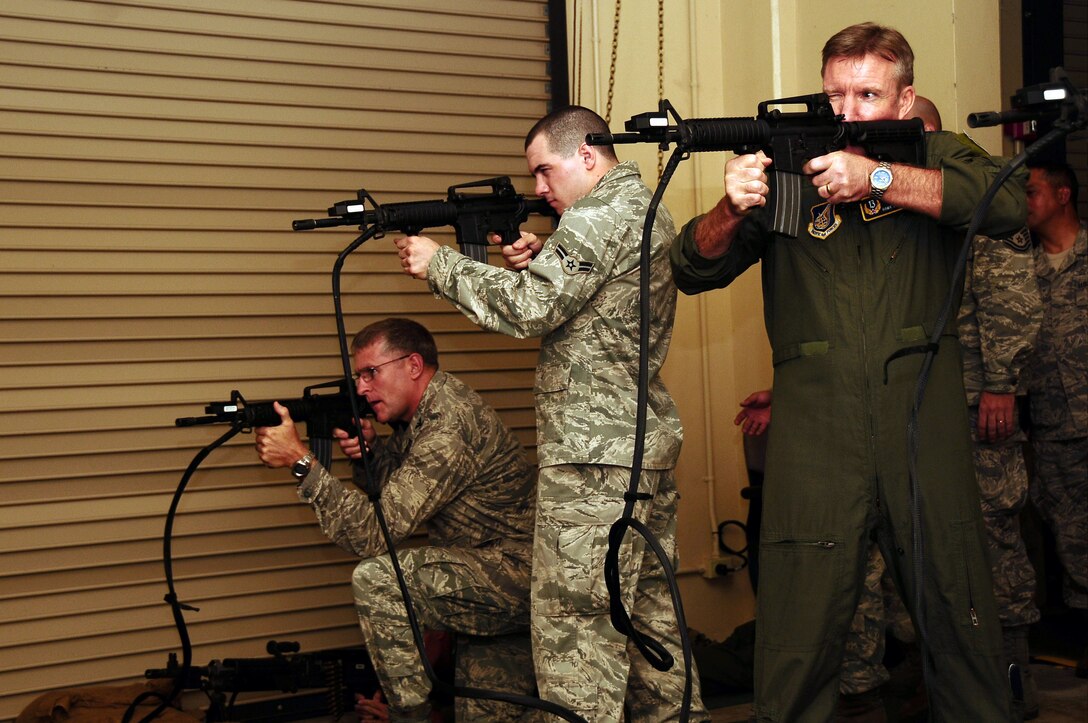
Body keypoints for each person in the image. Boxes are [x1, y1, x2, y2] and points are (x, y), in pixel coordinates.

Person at [670, 22, 1026, 721]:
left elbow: (1006, 203)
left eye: (868, 94)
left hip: (919, 420)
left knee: (955, 598)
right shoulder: (787, 165)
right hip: (817, 422)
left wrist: (880, 177)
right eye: (837, 92)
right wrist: (731, 203)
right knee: (800, 614)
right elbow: (691, 266)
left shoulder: (934, 151)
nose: (848, 109)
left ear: (903, 98)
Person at [394, 106, 708, 721]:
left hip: (594, 461)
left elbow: (533, 308)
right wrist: (548, 256)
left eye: (544, 171)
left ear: (587, 156)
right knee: (649, 622)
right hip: (636, 454)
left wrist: (441, 266)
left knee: (577, 624)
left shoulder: (598, 215)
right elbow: (591, 306)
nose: (538, 189)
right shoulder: (637, 207)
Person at [836, 97, 1043, 721]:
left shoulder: (966, 190)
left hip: (977, 400)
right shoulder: (888, 203)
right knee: (917, 542)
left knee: (987, 536)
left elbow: (1010, 296)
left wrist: (1002, 384)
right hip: (920, 401)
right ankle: (933, 675)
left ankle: (1006, 682)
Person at [253, 317, 537, 722]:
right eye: (358, 375)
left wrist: (302, 463)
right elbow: (406, 494)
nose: (362, 387)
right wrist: (370, 455)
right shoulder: (421, 415)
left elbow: (375, 534)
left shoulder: (448, 426)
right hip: (487, 579)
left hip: (513, 577)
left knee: (379, 580)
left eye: (371, 373)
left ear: (414, 366)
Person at [1023, 161, 1088, 678]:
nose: (1024, 201)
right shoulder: (1018, 266)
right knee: (1072, 539)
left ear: (1064, 194)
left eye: (1034, 191)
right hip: (1055, 428)